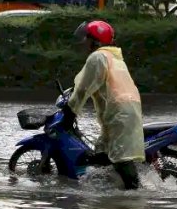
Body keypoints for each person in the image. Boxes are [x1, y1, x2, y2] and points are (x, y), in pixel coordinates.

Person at [61, 20, 145, 190]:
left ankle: (135, 194)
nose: (84, 43)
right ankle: (105, 188)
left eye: (87, 39)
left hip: (119, 112)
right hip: (124, 109)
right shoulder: (113, 57)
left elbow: (84, 89)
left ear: (95, 41)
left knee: (121, 158)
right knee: (101, 152)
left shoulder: (98, 57)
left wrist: (70, 111)